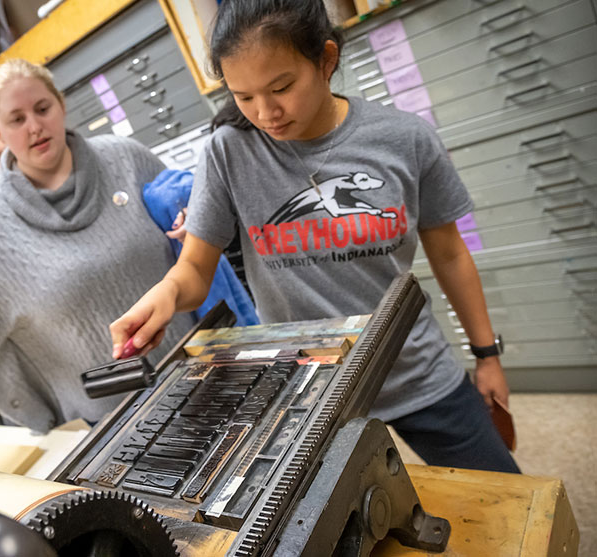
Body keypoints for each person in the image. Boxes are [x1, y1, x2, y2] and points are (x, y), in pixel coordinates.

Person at [110, 0, 519, 473]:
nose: (266, 113)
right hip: (310, 388)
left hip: (414, 371)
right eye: (243, 96)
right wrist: (164, 295)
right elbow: (195, 269)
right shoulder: (229, 152)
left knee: (507, 503)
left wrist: (487, 356)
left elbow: (449, 254)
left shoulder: (404, 138)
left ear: (326, 60)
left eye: (281, 87)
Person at [0, 58, 196, 432]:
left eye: (42, 109)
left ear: (61, 104)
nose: (35, 126)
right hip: (112, 420)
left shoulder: (124, 157)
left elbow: (193, 211)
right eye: (17, 119)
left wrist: (192, 221)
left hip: (197, 364)